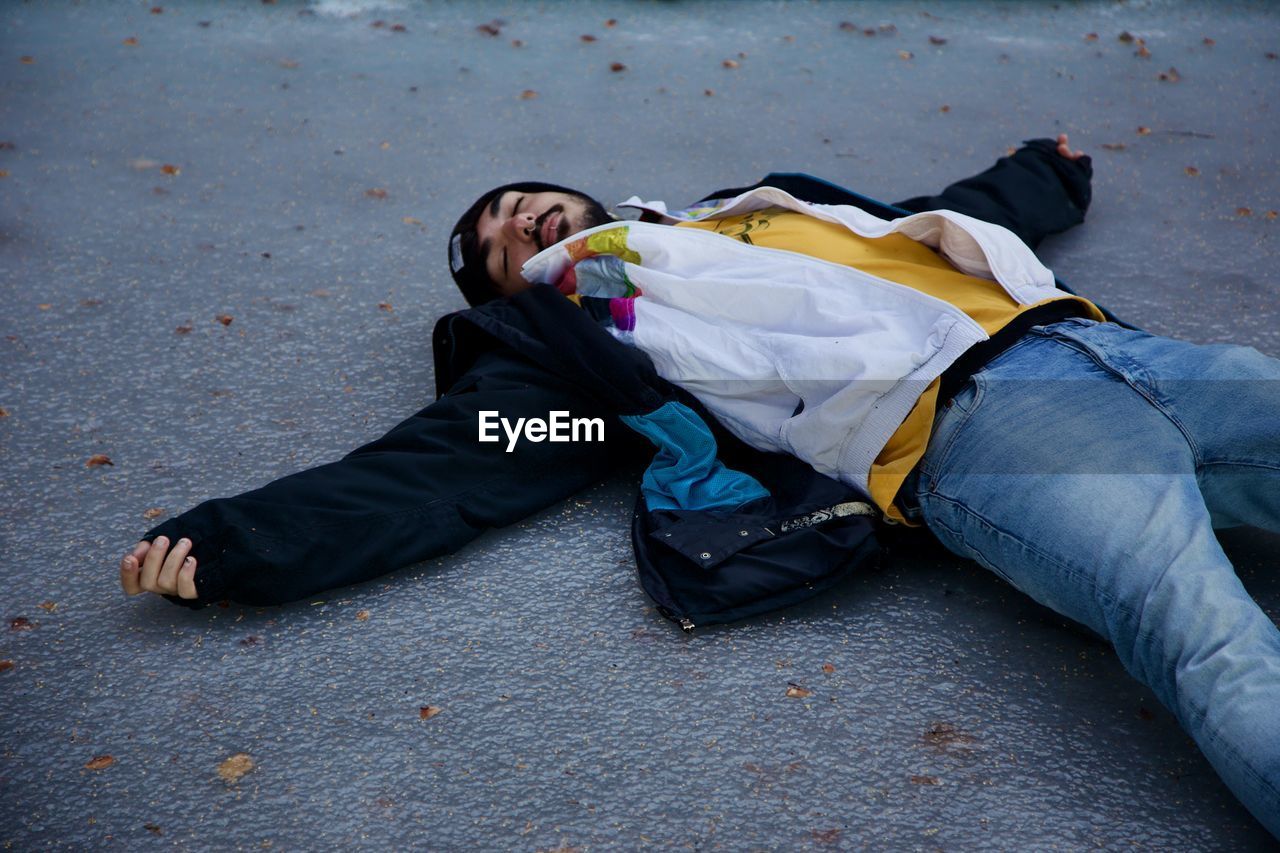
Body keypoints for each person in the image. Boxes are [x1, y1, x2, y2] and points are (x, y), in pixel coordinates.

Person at [118, 135, 1279, 836]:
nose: (514, 217)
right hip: (978, 433)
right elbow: (433, 473)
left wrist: (1042, 174)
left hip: (1104, 346)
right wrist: (234, 542)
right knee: (1201, 633)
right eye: (493, 239)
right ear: (498, 288)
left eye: (521, 200)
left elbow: (916, 226)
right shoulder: (573, 339)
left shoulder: (738, 211)